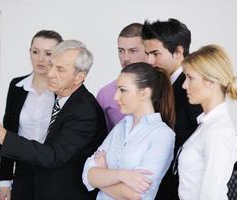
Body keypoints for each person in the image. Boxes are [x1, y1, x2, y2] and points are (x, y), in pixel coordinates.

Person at [0, 40, 107, 200]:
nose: (50, 73)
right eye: (51, 65)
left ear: (79, 77)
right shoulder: (64, 99)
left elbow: (53, 155)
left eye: (60, 69)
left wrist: (3, 136)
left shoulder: (85, 110)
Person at [83, 62, 176, 200]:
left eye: (123, 90)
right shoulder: (121, 126)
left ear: (144, 93)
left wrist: (102, 176)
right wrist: (122, 175)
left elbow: (135, 195)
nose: (115, 97)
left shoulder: (162, 135)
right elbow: (87, 174)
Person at [141, 18, 203, 199]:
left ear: (178, 52)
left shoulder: (192, 90)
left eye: (155, 53)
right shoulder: (161, 85)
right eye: (147, 54)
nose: (150, 61)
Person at [0, 30, 63, 200]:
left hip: (55, 172)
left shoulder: (64, 91)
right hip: (23, 172)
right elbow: (8, 132)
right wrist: (5, 180)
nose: (40, 59)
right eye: (35, 52)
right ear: (30, 52)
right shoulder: (17, 86)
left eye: (48, 53)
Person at [178, 44, 237, 200]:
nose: (184, 85)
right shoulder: (207, 125)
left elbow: (211, 195)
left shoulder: (218, 131)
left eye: (190, 78)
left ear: (211, 82)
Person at [97, 23, 148, 132]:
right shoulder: (105, 94)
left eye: (133, 51)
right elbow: (100, 138)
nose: (125, 58)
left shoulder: (164, 87)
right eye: (121, 51)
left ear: (148, 50)